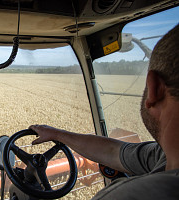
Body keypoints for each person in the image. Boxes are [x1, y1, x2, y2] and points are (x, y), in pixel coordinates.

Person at [29, 23, 179, 199]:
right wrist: (56, 134)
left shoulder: (131, 195)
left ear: (154, 88)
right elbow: (114, 152)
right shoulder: (163, 155)